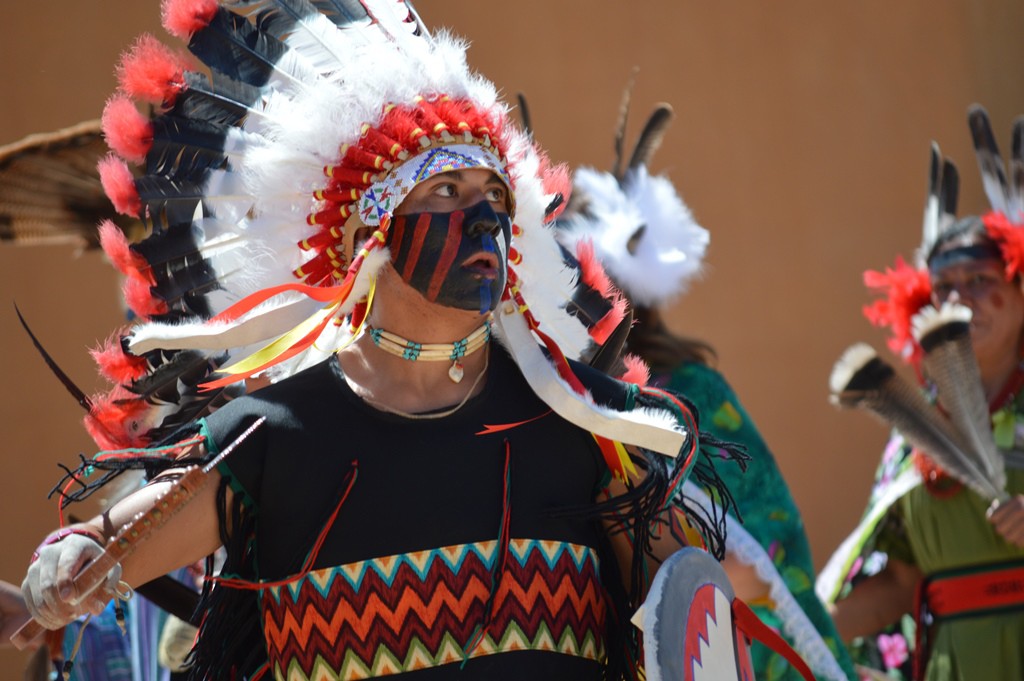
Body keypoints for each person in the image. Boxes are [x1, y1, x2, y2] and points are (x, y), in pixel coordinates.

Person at [18, 2, 739, 679]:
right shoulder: (274, 438)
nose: (483, 217)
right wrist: (58, 577)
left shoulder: (589, 423)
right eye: (444, 192)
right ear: (367, 237)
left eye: (493, 196)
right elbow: (103, 556)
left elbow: (694, 616)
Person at [555, 94, 856, 681]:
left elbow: (764, 555)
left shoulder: (693, 392)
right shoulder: (547, 403)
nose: (576, 301)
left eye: (589, 283)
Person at [819, 105, 1024, 680]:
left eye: (981, 283)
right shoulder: (918, 429)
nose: (959, 301)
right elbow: (903, 581)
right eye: (943, 290)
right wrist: (803, 627)